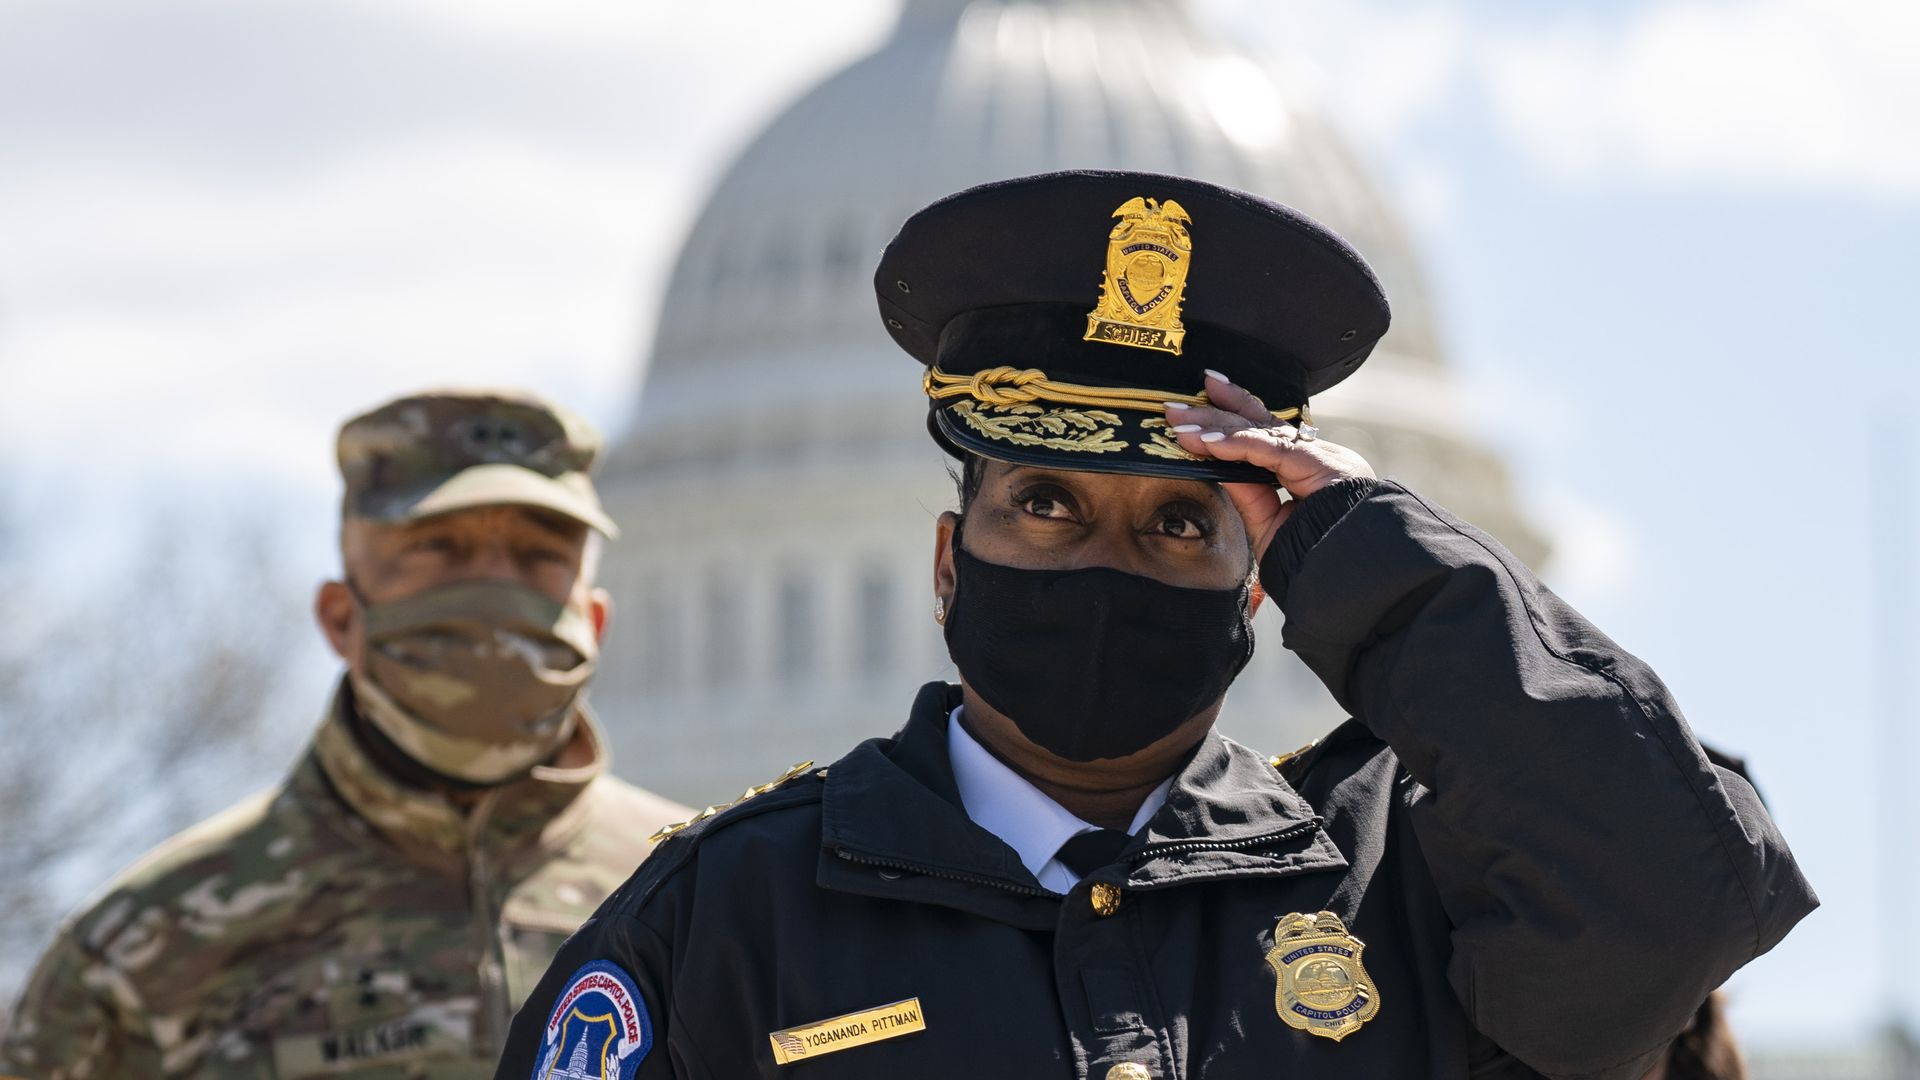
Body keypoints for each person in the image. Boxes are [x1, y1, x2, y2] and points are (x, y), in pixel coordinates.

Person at [493, 172, 1817, 1080]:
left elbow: (1676, 903)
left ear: (1265, 580)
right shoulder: (729, 921)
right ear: (951, 560)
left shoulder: (1405, 898)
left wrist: (1382, 561)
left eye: (1182, 524)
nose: (1108, 559)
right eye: (1048, 505)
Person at [1, 389, 690, 1079]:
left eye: (537, 554)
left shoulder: (706, 897)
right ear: (339, 616)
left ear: (595, 621)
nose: (492, 589)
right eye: (440, 549)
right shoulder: (147, 949)